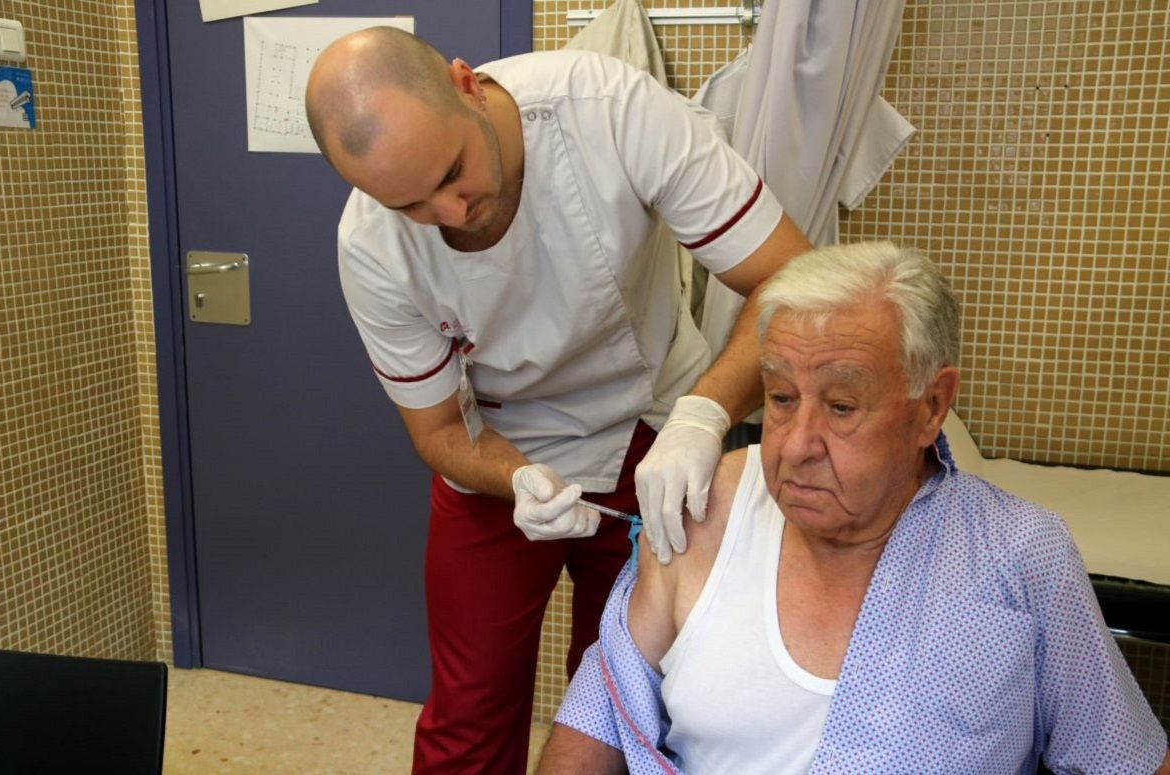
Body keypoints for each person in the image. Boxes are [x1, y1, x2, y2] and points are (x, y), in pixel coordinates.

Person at [304, 27, 811, 773]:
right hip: (495, 454)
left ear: (464, 84)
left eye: (454, 172)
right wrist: (516, 480)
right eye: (412, 204)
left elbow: (792, 281)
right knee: (468, 708)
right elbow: (438, 426)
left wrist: (705, 417)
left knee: (632, 694)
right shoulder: (370, 248)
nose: (452, 211)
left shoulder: (609, 111)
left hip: (655, 425)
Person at [540, 241, 1170, 774]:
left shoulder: (1016, 555)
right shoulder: (708, 511)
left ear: (930, 406)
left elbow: (1124, 760)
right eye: (781, 398)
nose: (795, 445)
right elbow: (598, 714)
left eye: (841, 407)